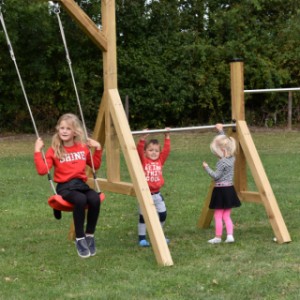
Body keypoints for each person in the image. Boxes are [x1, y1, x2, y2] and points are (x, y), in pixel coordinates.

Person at [34, 113, 102, 258]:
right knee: (80, 200)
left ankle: (89, 235)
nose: (64, 131)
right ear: (58, 129)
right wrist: (37, 151)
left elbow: (95, 165)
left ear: (75, 132)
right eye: (62, 128)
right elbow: (42, 170)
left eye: (68, 129)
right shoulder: (54, 150)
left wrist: (98, 148)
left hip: (81, 185)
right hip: (64, 187)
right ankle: (79, 238)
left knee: (95, 199)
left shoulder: (82, 148)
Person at [202, 123, 241, 244]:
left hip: (220, 190)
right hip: (229, 190)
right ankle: (230, 236)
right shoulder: (232, 158)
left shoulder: (221, 163)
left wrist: (207, 168)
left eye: (216, 152)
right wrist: (221, 131)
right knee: (227, 216)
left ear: (222, 151)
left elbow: (216, 176)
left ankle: (218, 237)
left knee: (218, 215)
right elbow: (225, 143)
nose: (215, 154)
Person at [136, 129, 171, 247]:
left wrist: (167, 137)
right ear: (145, 152)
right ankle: (142, 238)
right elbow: (138, 151)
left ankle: (159, 234)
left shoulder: (160, 161)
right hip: (145, 194)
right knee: (143, 217)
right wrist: (142, 139)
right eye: (150, 150)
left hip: (157, 194)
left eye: (156, 150)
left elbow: (166, 151)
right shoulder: (144, 161)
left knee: (162, 214)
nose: (154, 152)